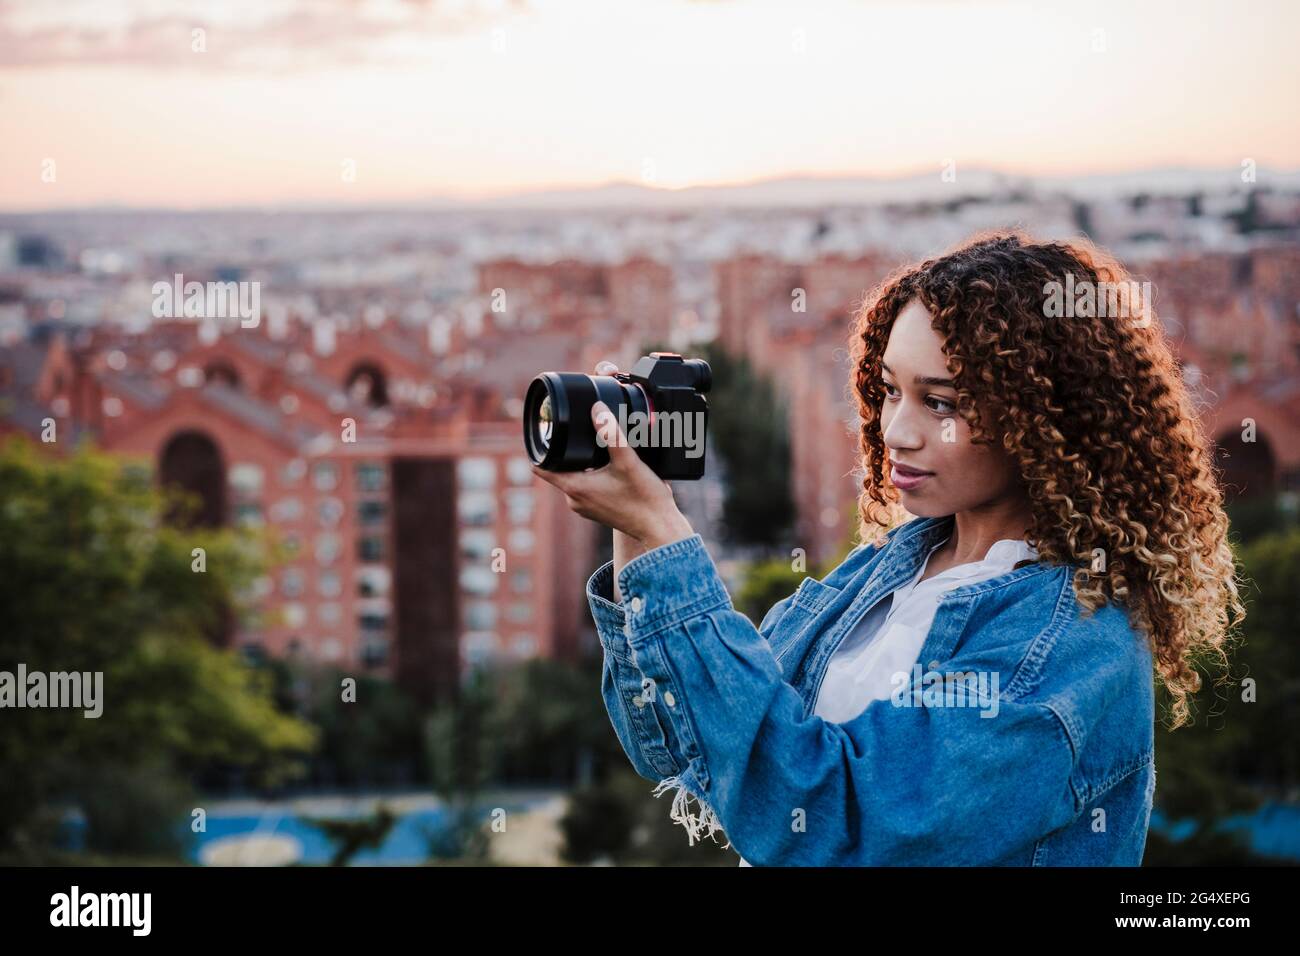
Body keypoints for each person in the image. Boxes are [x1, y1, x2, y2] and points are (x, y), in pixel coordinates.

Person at [531, 230, 1245, 866]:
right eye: (888, 390)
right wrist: (636, 518)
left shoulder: (1073, 645)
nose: (895, 430)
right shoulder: (891, 567)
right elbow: (680, 739)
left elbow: (841, 831)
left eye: (941, 402)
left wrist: (666, 538)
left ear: (1047, 418)